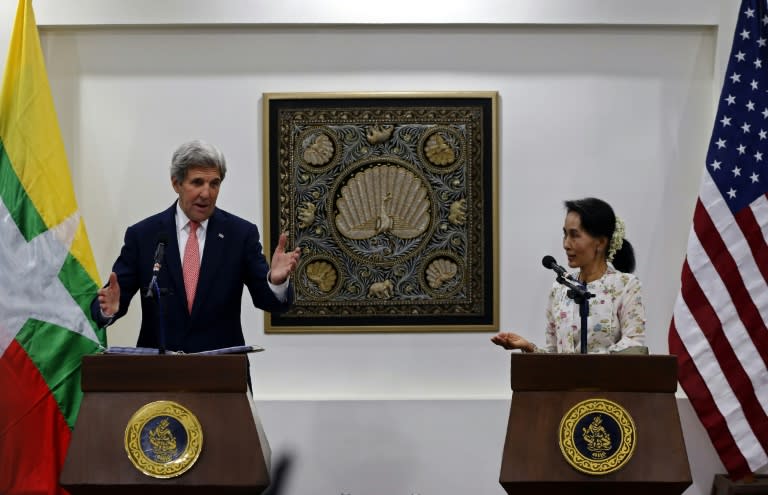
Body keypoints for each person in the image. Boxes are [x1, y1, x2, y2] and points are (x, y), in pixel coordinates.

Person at [91, 139, 301, 353]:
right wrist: (108, 310)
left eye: (214, 183)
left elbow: (270, 302)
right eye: (197, 182)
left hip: (220, 374)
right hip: (158, 374)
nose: (206, 193)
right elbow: (109, 302)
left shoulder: (240, 235)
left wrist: (277, 282)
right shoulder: (143, 235)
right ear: (176, 184)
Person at [491, 197, 646, 354]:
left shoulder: (626, 285)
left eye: (574, 235)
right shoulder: (559, 288)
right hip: (563, 379)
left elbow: (633, 343)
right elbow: (554, 354)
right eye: (565, 234)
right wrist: (529, 348)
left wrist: (591, 368)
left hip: (608, 378)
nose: (566, 244)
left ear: (600, 242)